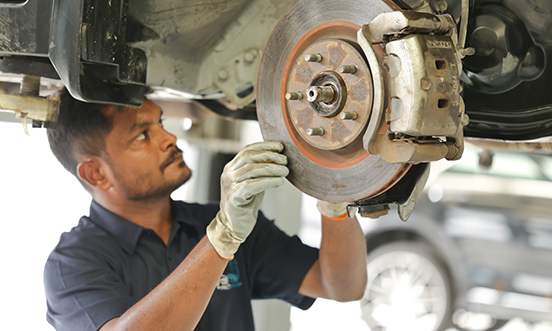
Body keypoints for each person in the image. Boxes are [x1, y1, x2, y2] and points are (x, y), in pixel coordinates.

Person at [44, 88, 367, 331]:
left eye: (160, 123)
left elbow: (341, 285)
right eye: (142, 135)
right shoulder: (73, 263)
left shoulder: (224, 222)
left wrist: (334, 200)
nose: (168, 138)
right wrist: (222, 238)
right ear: (96, 174)